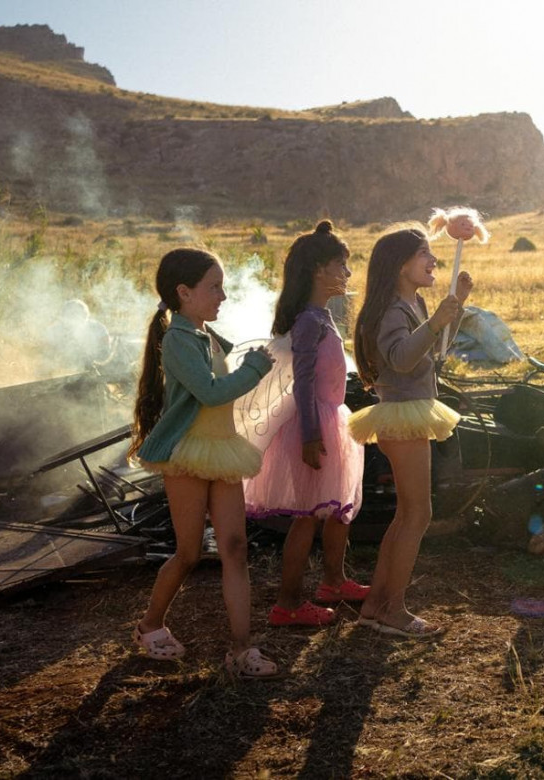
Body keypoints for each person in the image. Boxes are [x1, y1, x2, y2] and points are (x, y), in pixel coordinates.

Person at [128, 248, 282, 678]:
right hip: (190, 454)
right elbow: (211, 393)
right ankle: (150, 624)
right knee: (189, 552)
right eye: (214, 287)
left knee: (235, 549)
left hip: (221, 448)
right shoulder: (178, 339)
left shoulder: (206, 334)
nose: (223, 295)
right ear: (184, 292)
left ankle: (240, 649)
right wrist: (253, 369)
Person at [347, 224, 473, 638]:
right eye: (424, 254)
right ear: (401, 265)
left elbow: (432, 353)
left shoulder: (412, 303)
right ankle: (394, 610)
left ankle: (375, 605)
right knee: (418, 513)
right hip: (402, 415)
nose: (433, 260)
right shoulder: (391, 310)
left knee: (406, 515)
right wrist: (435, 320)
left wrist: (454, 307)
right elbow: (402, 358)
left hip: (408, 412)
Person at [242, 221, 367, 627]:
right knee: (308, 515)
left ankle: (333, 581)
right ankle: (288, 603)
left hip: (331, 421)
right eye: (341, 265)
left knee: (336, 508)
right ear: (318, 269)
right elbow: (304, 383)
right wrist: (312, 436)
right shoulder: (310, 321)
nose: (348, 274)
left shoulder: (322, 316)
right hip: (314, 425)